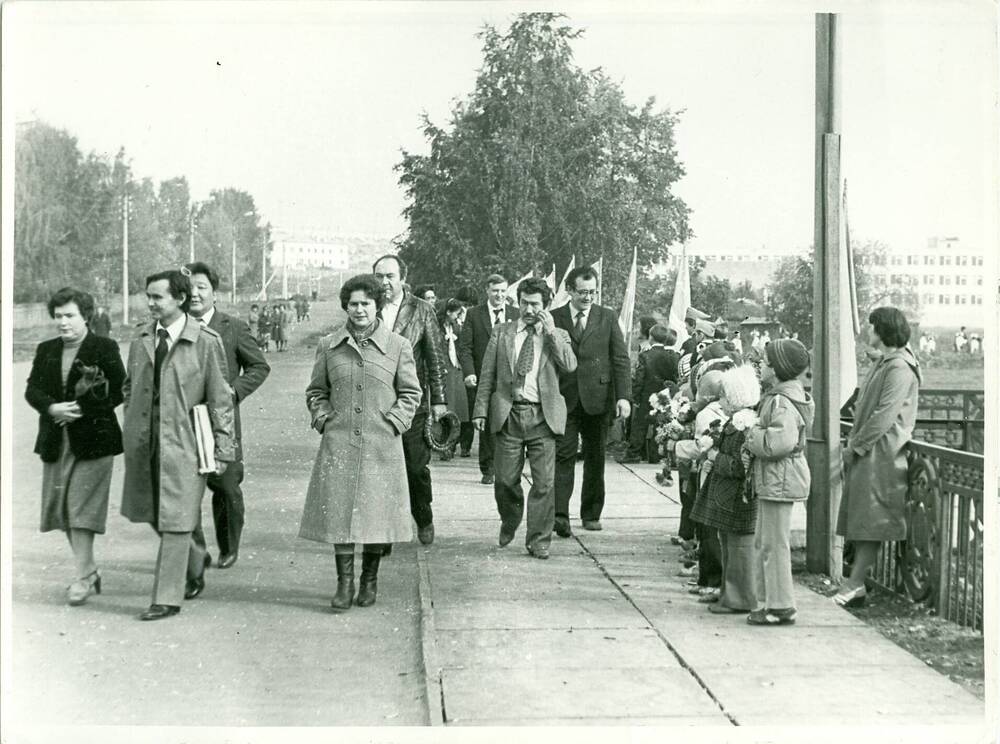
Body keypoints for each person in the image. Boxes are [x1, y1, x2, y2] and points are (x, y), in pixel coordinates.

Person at [300, 274, 422, 611]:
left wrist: (394, 422)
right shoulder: (328, 346)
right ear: (345, 307)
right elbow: (316, 391)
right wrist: (324, 417)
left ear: (377, 305)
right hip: (339, 445)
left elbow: (411, 393)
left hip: (381, 447)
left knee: (376, 516)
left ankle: (369, 580)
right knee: (339, 515)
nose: (359, 310)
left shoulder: (398, 346)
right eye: (352, 304)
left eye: (365, 303)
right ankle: (345, 584)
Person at [120, 269, 235, 621]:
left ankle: (166, 597)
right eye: (148, 296)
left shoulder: (205, 341)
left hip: (186, 445)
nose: (151, 303)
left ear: (180, 299)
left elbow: (221, 400)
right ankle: (195, 556)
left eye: (158, 297)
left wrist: (224, 449)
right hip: (145, 444)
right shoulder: (141, 338)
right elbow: (130, 386)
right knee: (155, 512)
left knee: (175, 519)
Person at [25, 287, 126, 606]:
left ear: (86, 316)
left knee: (80, 508)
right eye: (58, 316)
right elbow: (33, 390)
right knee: (64, 510)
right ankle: (89, 571)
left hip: (95, 441)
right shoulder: (46, 349)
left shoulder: (104, 347)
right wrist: (52, 408)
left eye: (70, 315)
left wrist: (85, 409)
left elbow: (120, 390)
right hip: (57, 441)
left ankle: (82, 577)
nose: (63, 322)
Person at [472, 277, 577, 559]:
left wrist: (551, 330)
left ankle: (539, 539)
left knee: (544, 484)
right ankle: (510, 517)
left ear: (546, 305)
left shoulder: (559, 334)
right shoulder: (502, 332)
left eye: (535, 304)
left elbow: (569, 365)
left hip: (543, 416)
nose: (529, 310)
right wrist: (480, 410)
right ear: (517, 302)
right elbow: (487, 375)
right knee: (505, 480)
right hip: (509, 414)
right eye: (524, 303)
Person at [186, 262, 271, 569]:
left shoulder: (232, 327)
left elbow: (259, 366)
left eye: (201, 287)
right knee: (184, 487)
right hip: (183, 422)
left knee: (225, 485)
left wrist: (231, 393)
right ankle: (196, 552)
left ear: (214, 293)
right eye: (189, 288)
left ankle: (228, 545)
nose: (194, 294)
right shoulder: (176, 327)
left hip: (221, 421)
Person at [834, 307, 920, 608]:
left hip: (882, 454)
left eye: (871, 327)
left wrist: (855, 445)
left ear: (882, 331)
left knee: (871, 520)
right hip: (873, 452)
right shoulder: (888, 363)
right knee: (864, 519)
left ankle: (855, 583)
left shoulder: (898, 367)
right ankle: (854, 583)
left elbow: (884, 416)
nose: (868, 333)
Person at [373, 254, 448, 545]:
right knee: (381, 470)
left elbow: (435, 356)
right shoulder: (368, 307)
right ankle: (385, 533)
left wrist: (439, 400)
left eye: (390, 276)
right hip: (376, 404)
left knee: (415, 468)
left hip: (411, 402)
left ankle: (423, 516)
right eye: (379, 276)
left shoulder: (421, 310)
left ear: (402, 278)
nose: (384, 282)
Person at [551, 266, 631, 535]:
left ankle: (591, 513)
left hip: (599, 400)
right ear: (569, 291)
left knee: (595, 459)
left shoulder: (607, 317)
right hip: (565, 398)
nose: (588, 297)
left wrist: (623, 397)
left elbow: (620, 359)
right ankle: (559, 515)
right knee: (563, 456)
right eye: (582, 292)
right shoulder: (554, 318)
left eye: (592, 292)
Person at [744, 338, 814, 625]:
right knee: (767, 542)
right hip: (778, 479)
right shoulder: (787, 397)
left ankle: (781, 605)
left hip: (779, 478)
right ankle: (769, 601)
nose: (761, 365)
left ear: (777, 369)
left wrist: (751, 433)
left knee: (774, 544)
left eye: (766, 362)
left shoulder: (781, 401)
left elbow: (777, 444)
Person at [691, 364, 761, 615]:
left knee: (739, 549)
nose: (720, 401)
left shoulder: (744, 426)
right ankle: (729, 593)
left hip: (736, 496)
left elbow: (740, 466)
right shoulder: (737, 422)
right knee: (730, 545)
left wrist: (714, 455)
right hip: (730, 496)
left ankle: (739, 598)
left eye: (723, 396)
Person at [457, 274, 519, 485]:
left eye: (503, 291)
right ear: (487, 291)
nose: (499, 295)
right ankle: (488, 468)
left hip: (510, 378)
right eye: (495, 291)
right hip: (484, 378)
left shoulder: (516, 314)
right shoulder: (474, 315)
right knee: (488, 422)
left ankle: (509, 466)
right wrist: (469, 372)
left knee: (510, 422)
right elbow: (465, 347)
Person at [619, 325, 679, 464]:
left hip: (647, 394)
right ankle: (655, 455)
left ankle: (633, 453)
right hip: (665, 395)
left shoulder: (645, 355)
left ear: (651, 338)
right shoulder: (672, 356)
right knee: (660, 423)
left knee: (640, 425)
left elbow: (639, 378)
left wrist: (636, 396)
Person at [440, 298, 474, 459]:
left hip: (458, 371)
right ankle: (447, 447)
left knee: (463, 411)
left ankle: (465, 446)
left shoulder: (459, 328)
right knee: (447, 411)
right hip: (445, 371)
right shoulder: (438, 328)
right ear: (448, 312)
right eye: (457, 312)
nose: (459, 316)